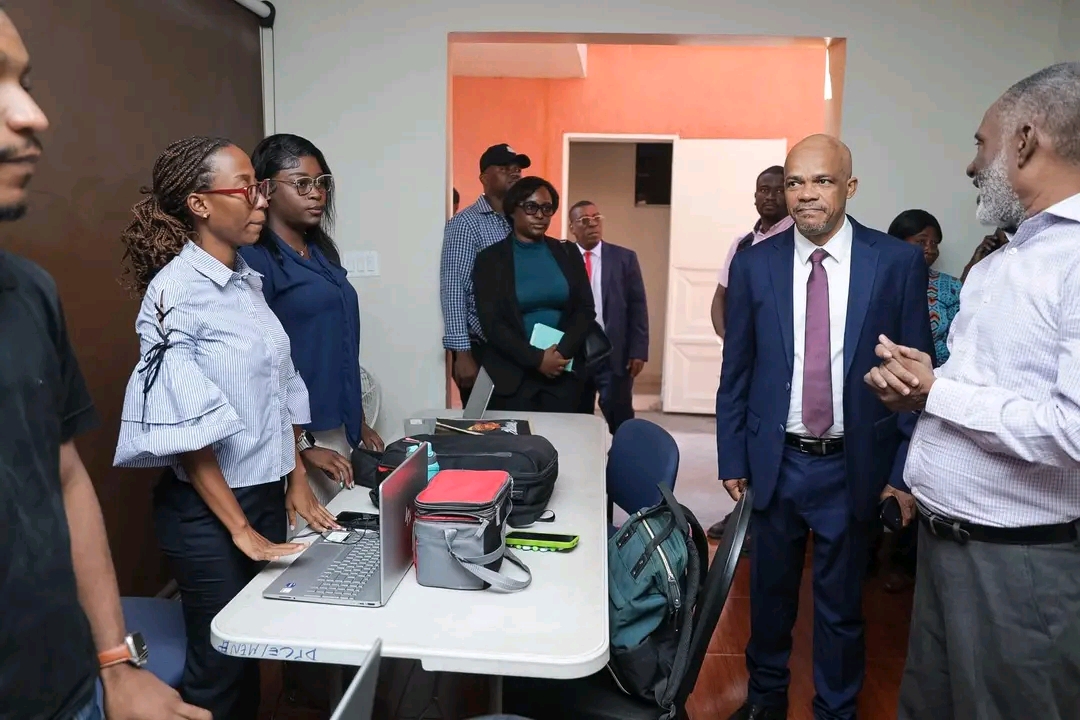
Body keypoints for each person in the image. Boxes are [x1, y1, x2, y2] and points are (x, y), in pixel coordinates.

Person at [0, 12, 211, 720]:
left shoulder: (29, 293)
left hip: (66, 691)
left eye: (25, 82)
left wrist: (115, 665)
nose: (32, 115)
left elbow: (63, 477)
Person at [865, 62, 1080, 720]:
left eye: (981, 143)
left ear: (1025, 139)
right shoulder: (1004, 261)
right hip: (946, 547)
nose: (971, 164)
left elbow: (1072, 432)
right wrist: (919, 389)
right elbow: (978, 389)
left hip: (1019, 568)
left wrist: (937, 393)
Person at [114, 136, 340, 720]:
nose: (261, 200)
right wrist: (240, 529)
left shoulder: (246, 281)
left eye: (261, 188)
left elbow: (280, 388)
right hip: (209, 512)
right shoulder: (174, 293)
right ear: (200, 204)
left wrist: (294, 479)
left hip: (261, 495)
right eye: (247, 189)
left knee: (251, 652)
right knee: (219, 670)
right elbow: (188, 432)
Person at [717, 134, 932, 720]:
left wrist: (901, 474)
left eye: (822, 180)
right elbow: (736, 369)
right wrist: (732, 455)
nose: (806, 194)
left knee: (840, 606)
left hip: (852, 464)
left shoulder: (896, 262)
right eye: (795, 182)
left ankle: (836, 710)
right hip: (775, 460)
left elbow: (916, 380)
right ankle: (764, 701)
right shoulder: (755, 263)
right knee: (768, 597)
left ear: (850, 187)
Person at [238, 134, 383, 509]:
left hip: (335, 430)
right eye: (301, 183)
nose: (316, 193)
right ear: (266, 189)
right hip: (294, 439)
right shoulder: (255, 259)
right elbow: (258, 368)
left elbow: (339, 345)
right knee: (311, 540)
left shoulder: (319, 251)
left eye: (321, 182)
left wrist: (357, 421)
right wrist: (302, 446)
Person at [707, 164, 793, 540]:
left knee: (771, 433)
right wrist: (733, 342)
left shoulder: (795, 242)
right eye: (763, 189)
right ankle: (744, 510)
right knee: (740, 428)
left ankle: (764, 516)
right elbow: (719, 299)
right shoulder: (742, 244)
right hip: (745, 360)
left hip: (778, 361)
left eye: (778, 189)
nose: (769, 196)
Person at [472, 176, 594, 412]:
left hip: (564, 372)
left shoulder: (568, 253)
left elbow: (585, 309)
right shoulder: (490, 260)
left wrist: (559, 354)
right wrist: (537, 359)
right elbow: (492, 323)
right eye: (531, 207)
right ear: (512, 210)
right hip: (511, 377)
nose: (540, 215)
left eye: (547, 208)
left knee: (568, 435)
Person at [440, 143, 529, 405]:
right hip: (483, 349)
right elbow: (453, 288)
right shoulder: (465, 224)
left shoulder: (522, 222)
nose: (514, 172)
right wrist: (462, 353)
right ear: (484, 178)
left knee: (523, 421)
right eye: (504, 168)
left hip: (521, 347)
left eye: (517, 168)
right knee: (487, 424)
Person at [568, 200, 649, 434]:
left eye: (596, 218)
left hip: (614, 353)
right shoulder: (563, 257)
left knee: (620, 417)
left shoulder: (624, 258)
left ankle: (625, 455)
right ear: (572, 228)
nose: (592, 224)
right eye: (585, 220)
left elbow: (638, 306)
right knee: (576, 419)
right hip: (575, 353)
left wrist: (638, 350)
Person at [887, 210, 961, 365]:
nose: (930, 249)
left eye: (934, 243)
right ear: (897, 242)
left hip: (938, 372)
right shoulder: (880, 281)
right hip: (886, 370)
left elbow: (960, 339)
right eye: (921, 242)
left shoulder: (951, 286)